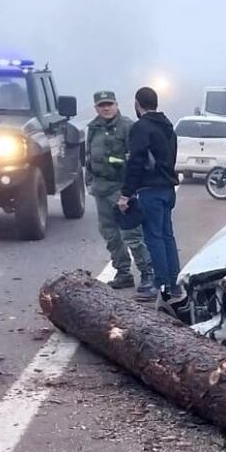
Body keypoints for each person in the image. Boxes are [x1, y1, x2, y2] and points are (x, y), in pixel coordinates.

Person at [85, 91, 155, 291]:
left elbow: (138, 158)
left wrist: (130, 189)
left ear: (116, 104)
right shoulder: (93, 128)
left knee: (132, 233)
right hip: (100, 188)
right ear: (96, 108)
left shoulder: (127, 126)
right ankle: (123, 272)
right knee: (109, 233)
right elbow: (88, 156)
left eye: (109, 104)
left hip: (121, 188)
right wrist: (88, 180)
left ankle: (147, 272)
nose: (106, 108)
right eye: (101, 105)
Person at [119, 87, 181, 306]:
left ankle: (160, 285)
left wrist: (126, 193)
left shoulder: (141, 128)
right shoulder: (168, 128)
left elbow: (136, 161)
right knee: (167, 236)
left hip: (151, 190)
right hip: (167, 188)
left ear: (138, 104)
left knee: (153, 238)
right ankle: (174, 285)